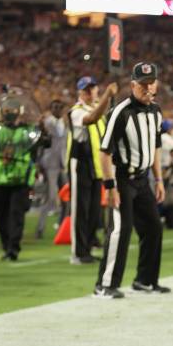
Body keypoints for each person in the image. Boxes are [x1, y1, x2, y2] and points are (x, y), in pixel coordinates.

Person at [95, 62, 169, 298]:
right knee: (120, 230)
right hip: (122, 179)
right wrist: (110, 186)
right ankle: (104, 285)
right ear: (133, 85)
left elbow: (156, 147)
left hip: (143, 179)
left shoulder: (156, 111)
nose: (148, 88)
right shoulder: (121, 112)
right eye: (143, 85)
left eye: (151, 83)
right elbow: (104, 152)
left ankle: (145, 280)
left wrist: (159, 180)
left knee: (154, 228)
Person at [67, 77, 118, 264]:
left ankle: (87, 248)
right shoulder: (76, 112)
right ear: (80, 93)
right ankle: (77, 253)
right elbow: (91, 119)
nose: (90, 93)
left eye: (92, 89)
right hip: (80, 165)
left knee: (94, 212)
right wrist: (107, 96)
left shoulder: (98, 108)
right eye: (86, 90)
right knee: (80, 210)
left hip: (97, 166)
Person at [0, 96, 44, 260]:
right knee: (1, 216)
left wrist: (42, 131)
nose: (9, 113)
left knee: (16, 215)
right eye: (6, 111)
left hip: (20, 179)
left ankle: (13, 249)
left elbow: (42, 143)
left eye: (12, 110)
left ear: (19, 112)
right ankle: (7, 247)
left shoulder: (28, 131)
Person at [36, 99, 67, 238]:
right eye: (55, 107)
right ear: (51, 108)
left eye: (60, 107)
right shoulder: (46, 123)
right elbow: (40, 144)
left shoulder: (64, 123)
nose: (58, 109)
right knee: (50, 197)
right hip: (49, 164)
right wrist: (39, 163)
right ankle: (40, 228)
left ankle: (62, 227)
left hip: (63, 164)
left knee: (66, 197)